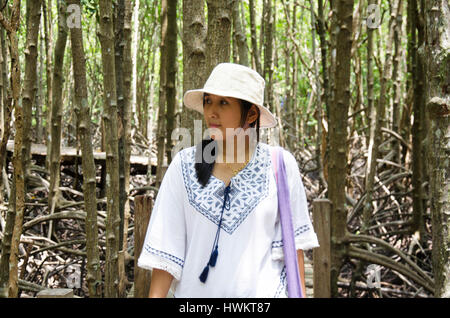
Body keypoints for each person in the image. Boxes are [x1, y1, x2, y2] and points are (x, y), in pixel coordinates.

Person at [137, 63, 319, 298]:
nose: (212, 111)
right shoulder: (183, 165)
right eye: (208, 101)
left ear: (251, 114)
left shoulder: (280, 165)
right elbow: (166, 249)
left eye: (224, 103)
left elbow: (293, 249)